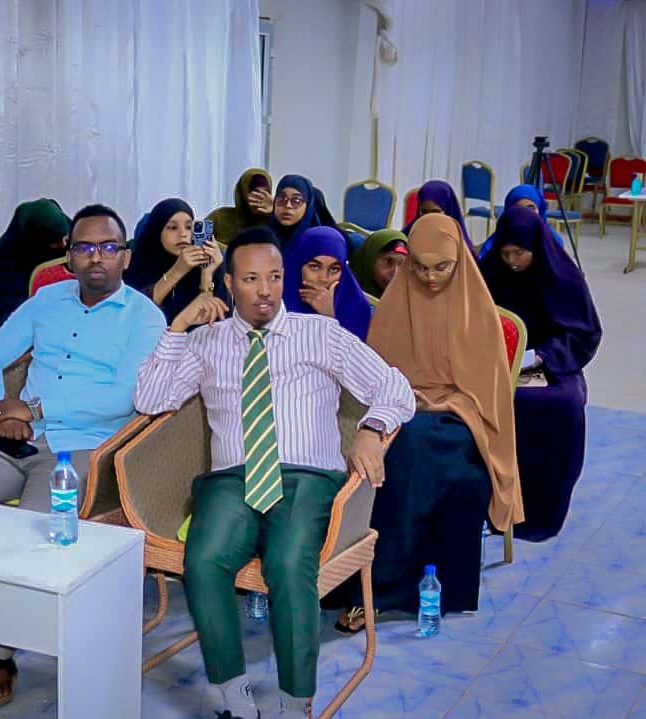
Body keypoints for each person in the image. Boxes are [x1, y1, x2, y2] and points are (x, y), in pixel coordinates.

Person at [133, 226, 414, 719]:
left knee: (287, 564)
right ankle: (234, 696)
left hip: (308, 478)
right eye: (251, 279)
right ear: (228, 283)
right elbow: (151, 399)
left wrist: (371, 429)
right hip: (231, 480)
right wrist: (177, 327)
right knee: (204, 560)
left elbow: (396, 388)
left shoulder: (320, 334)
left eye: (275, 277)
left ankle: (295, 702)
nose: (265, 290)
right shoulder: (206, 342)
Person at [0, 204, 165, 708]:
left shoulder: (144, 317)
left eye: (108, 247)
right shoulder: (47, 300)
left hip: (84, 448)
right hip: (17, 438)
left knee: (29, 531)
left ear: (126, 256)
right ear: (68, 255)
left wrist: (34, 407)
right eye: (84, 247)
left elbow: (125, 395)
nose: (96, 257)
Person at [337, 213, 524, 633]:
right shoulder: (394, 306)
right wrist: (402, 398)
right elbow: (374, 375)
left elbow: (488, 399)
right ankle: (347, 574)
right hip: (398, 411)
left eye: (442, 267)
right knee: (366, 448)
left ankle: (380, 589)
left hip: (458, 422)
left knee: (411, 454)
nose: (431, 277)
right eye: (420, 267)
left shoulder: (477, 313)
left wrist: (439, 403)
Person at [479, 207, 601, 541]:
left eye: (519, 253)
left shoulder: (562, 277)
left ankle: (543, 512)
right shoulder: (488, 272)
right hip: (494, 363)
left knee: (563, 406)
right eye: (505, 253)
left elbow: (583, 332)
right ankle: (492, 506)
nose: (512, 261)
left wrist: (543, 356)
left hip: (552, 362)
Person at [124, 197, 230, 324]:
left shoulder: (210, 264)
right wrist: (177, 271)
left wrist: (207, 275)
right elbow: (134, 314)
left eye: (189, 227)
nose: (183, 234)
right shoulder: (136, 263)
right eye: (173, 228)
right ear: (157, 231)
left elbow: (219, 322)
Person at [0, 198, 71, 333]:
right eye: (54, 241)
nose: (63, 245)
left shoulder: (71, 233)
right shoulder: (7, 258)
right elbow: (9, 314)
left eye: (65, 237)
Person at [282, 226, 372, 340]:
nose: (324, 278)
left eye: (334, 269)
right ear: (298, 266)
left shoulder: (356, 307)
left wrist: (328, 317)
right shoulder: (275, 299)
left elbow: (354, 350)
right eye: (314, 267)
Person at [476, 184, 565, 259]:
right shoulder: (497, 241)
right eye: (519, 209)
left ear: (540, 211)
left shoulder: (553, 242)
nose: (525, 214)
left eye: (531, 208)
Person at [268, 174, 338, 252]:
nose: (288, 205)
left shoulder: (319, 241)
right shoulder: (264, 236)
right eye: (282, 199)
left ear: (308, 206)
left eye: (296, 201)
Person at [206, 168, 275, 245]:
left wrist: (274, 211)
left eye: (265, 192)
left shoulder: (274, 221)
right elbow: (199, 240)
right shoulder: (220, 217)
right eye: (255, 192)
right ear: (243, 192)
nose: (259, 197)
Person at [403, 179, 471, 246]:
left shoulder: (458, 242)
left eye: (435, 211)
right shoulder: (410, 235)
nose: (429, 217)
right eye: (424, 211)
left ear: (448, 210)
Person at [348, 229, 408, 298]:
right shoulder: (345, 294)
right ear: (369, 259)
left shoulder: (406, 299)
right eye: (388, 262)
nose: (395, 273)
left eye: (402, 265)